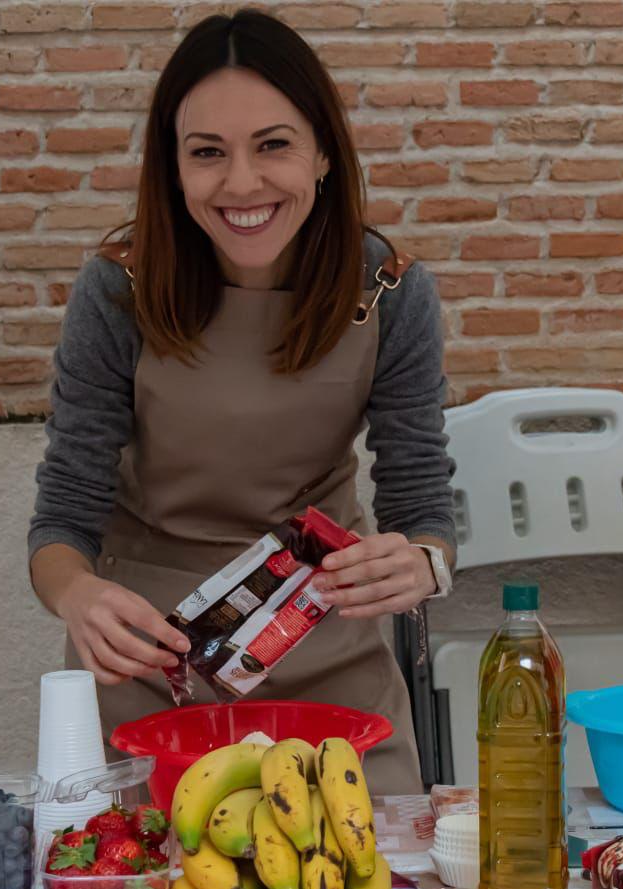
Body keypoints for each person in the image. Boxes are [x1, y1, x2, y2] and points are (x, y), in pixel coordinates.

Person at [27, 8, 455, 795]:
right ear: (172, 169)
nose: (243, 183)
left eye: (274, 145)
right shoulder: (117, 291)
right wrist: (77, 596)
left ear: (323, 154)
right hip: (152, 681)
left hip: (334, 677)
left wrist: (424, 564)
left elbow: (421, 500)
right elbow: (63, 519)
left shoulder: (389, 291)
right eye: (207, 153)